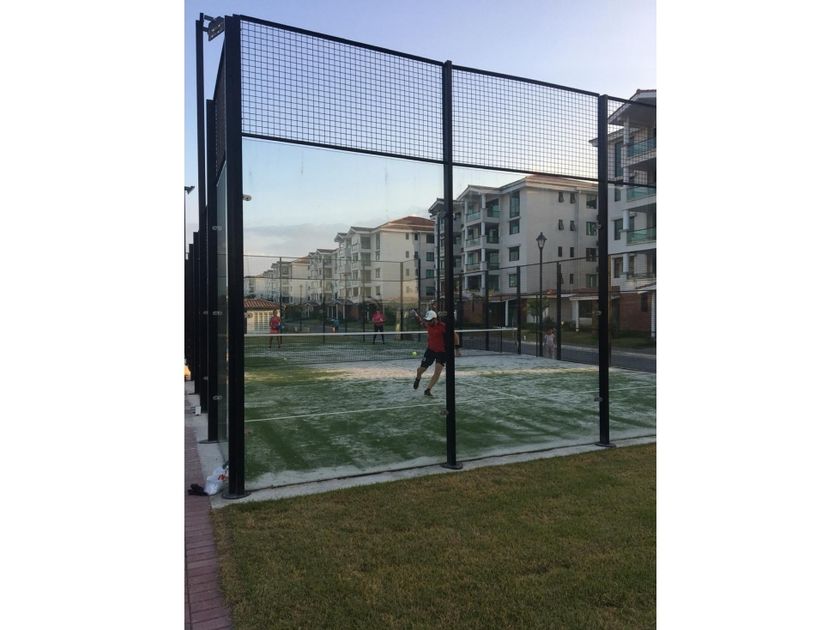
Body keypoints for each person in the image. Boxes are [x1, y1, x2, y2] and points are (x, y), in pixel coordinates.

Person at [412, 310, 459, 397]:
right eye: (427, 320)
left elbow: (455, 336)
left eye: (429, 320)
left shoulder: (443, 326)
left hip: (442, 352)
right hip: (430, 351)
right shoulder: (427, 324)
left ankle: (428, 390)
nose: (428, 322)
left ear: (435, 319)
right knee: (420, 370)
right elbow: (421, 322)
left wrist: (457, 349)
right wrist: (416, 315)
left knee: (437, 372)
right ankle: (418, 378)